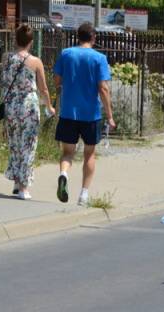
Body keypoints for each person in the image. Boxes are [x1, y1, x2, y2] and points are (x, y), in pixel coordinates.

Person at [53, 22, 116, 206]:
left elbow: (57, 79)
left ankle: (64, 174)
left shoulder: (66, 54)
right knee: (89, 154)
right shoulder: (99, 58)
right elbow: (103, 88)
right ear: (93, 37)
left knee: (67, 152)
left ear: (77, 37)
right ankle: (84, 194)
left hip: (68, 112)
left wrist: (64, 86)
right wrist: (110, 116)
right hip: (90, 114)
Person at [3, 24, 55, 200]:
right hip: (28, 107)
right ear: (31, 42)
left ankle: (17, 182)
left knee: (15, 144)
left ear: (16, 39)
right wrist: (49, 106)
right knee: (28, 146)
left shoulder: (7, 58)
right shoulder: (35, 62)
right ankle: (24, 188)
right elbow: (43, 88)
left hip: (11, 106)